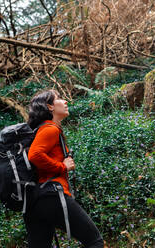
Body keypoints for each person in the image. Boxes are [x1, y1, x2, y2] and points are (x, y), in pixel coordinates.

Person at [25, 89, 104, 248]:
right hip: (52, 195)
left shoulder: (39, 131)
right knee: (94, 242)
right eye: (59, 98)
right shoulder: (50, 129)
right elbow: (34, 155)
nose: (65, 101)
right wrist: (63, 166)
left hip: (34, 202)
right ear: (50, 107)